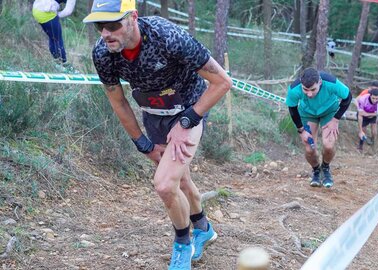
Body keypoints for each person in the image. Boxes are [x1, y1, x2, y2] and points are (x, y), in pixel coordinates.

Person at [83, 1, 232, 269]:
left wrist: (187, 121)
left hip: (189, 108)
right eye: (99, 26)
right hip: (153, 113)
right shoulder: (103, 53)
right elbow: (118, 101)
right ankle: (203, 228)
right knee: (180, 179)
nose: (105, 33)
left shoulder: (168, 38)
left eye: (113, 24)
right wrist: (142, 143)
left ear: (133, 18)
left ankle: (183, 244)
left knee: (164, 184)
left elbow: (222, 82)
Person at [286, 67, 352, 188]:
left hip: (330, 112)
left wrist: (336, 119)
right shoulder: (294, 89)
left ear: (320, 82)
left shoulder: (331, 82)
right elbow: (293, 109)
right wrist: (301, 130)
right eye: (305, 90)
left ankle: (325, 168)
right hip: (307, 114)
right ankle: (316, 170)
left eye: (313, 89)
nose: (309, 94)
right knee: (310, 148)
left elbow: (348, 97)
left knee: (328, 145)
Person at [32, 0, 76, 72]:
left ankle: (57, 63)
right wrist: (57, 15)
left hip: (36, 10)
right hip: (47, 12)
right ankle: (65, 65)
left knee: (52, 38)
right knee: (58, 39)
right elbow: (68, 11)